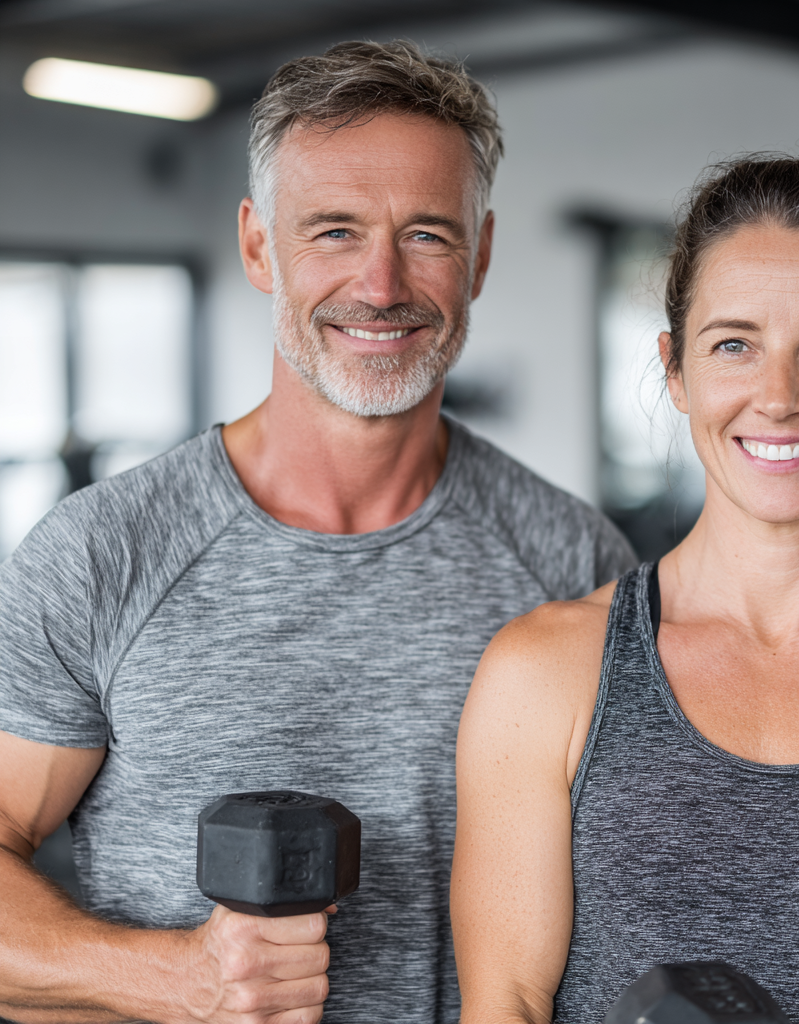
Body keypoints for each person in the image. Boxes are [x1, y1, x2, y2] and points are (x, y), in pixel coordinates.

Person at [0, 41, 635, 1024]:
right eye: (335, 231)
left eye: (426, 234)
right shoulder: (100, 554)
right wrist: (178, 978)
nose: (380, 284)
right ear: (259, 247)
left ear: (481, 254)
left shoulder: (571, 562)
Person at [451, 156, 799, 1024]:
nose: (779, 397)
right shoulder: (544, 673)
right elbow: (508, 1004)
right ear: (675, 371)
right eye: (734, 345)